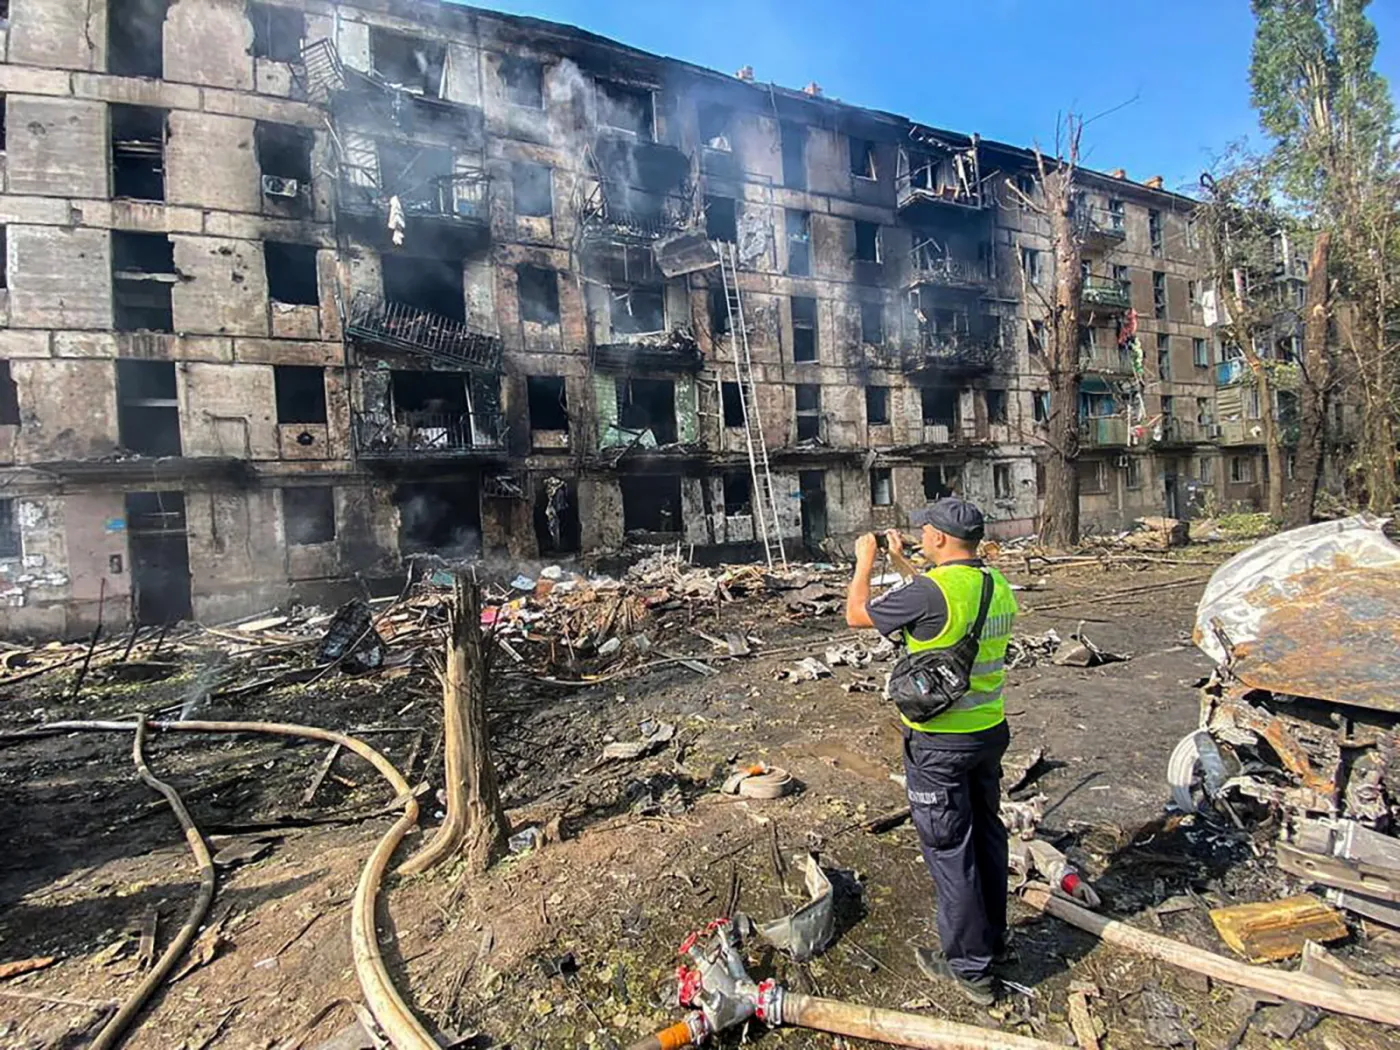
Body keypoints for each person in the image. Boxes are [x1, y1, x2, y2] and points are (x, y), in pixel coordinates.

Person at [844, 497, 1018, 1006]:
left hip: (939, 744)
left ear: (939, 538)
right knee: (987, 836)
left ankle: (970, 967)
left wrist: (866, 562)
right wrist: (901, 560)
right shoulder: (995, 585)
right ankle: (995, 942)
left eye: (924, 534)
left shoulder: (932, 592)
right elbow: (934, 600)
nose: (919, 539)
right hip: (988, 731)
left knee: (950, 849)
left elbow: (858, 614)